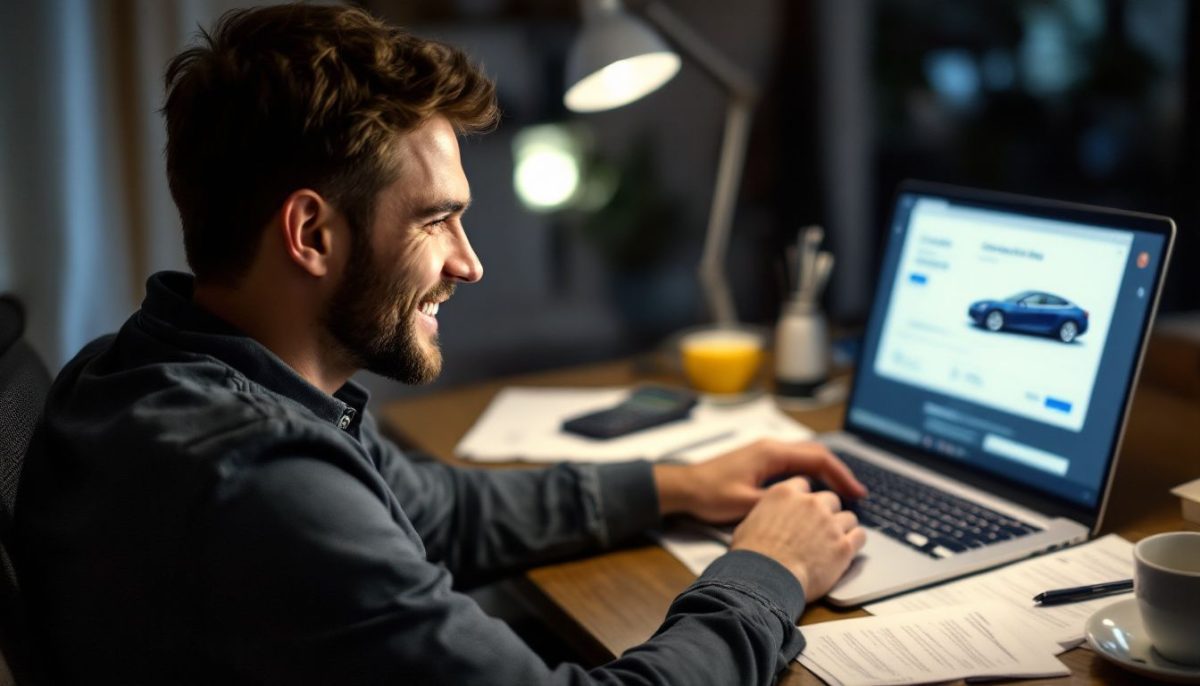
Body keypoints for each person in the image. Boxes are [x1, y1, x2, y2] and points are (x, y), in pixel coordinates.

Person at [15, 5, 866, 685]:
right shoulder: (259, 481)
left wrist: (679, 483)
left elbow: (444, 513)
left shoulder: (144, 364)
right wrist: (765, 569)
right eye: (436, 220)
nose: (470, 263)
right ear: (311, 232)